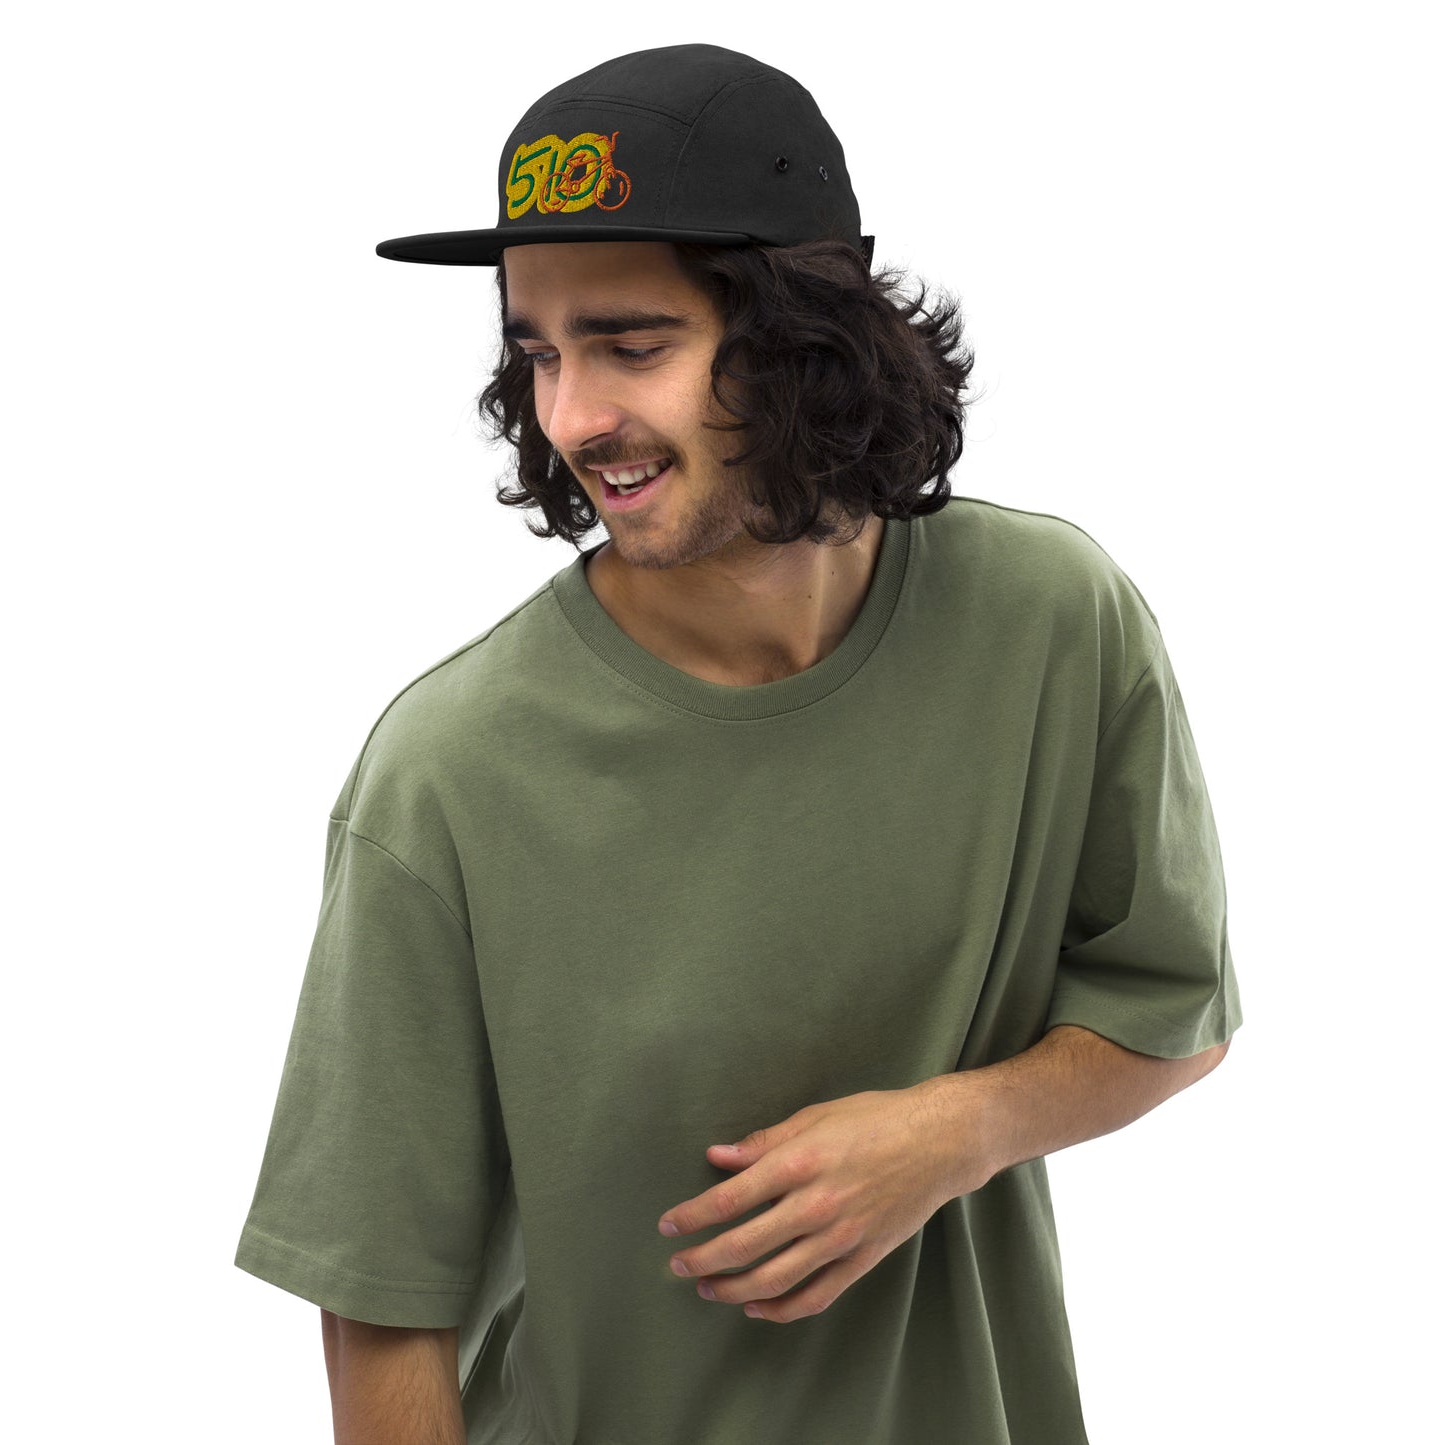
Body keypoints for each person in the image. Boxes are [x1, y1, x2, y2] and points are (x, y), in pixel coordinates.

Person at [235, 42, 1242, 1445]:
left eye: (632, 344)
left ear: (800, 337)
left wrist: (950, 1133)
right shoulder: (448, 771)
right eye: (539, 351)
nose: (572, 416)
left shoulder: (1051, 625)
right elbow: (381, 1298)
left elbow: (1172, 1009)